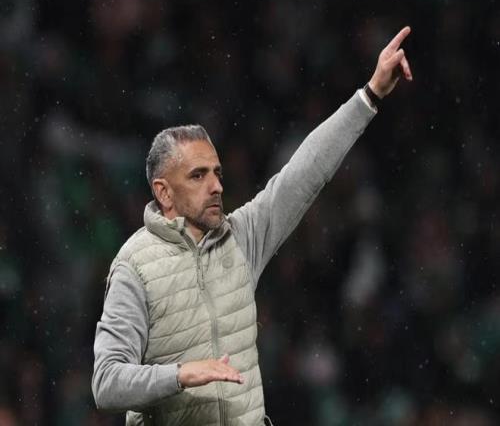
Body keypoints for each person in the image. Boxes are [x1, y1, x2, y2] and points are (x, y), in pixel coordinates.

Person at [92, 27, 413, 425]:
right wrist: (179, 374)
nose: (216, 186)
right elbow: (106, 383)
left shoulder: (240, 237)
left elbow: (304, 172)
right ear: (164, 192)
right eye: (198, 175)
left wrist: (370, 95)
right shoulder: (134, 266)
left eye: (217, 173)